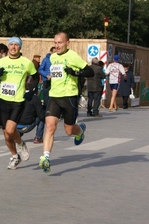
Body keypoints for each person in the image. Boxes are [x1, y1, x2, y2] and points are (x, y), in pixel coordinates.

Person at [40, 32, 94, 173]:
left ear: (67, 43)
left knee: (69, 130)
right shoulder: (52, 57)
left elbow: (90, 72)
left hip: (69, 97)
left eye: (60, 43)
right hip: (54, 96)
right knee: (50, 127)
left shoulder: (73, 56)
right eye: (55, 43)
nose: (57, 46)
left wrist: (75, 73)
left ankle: (80, 131)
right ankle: (45, 158)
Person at [0, 37, 39, 170]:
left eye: (16, 45)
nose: (13, 47)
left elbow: (35, 77)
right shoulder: (1, 62)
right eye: (11, 44)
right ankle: (14, 156)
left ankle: (21, 144)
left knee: (11, 129)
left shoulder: (26, 62)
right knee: (6, 135)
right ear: (8, 47)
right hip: (3, 101)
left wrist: (32, 90)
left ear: (20, 47)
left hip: (18, 101)